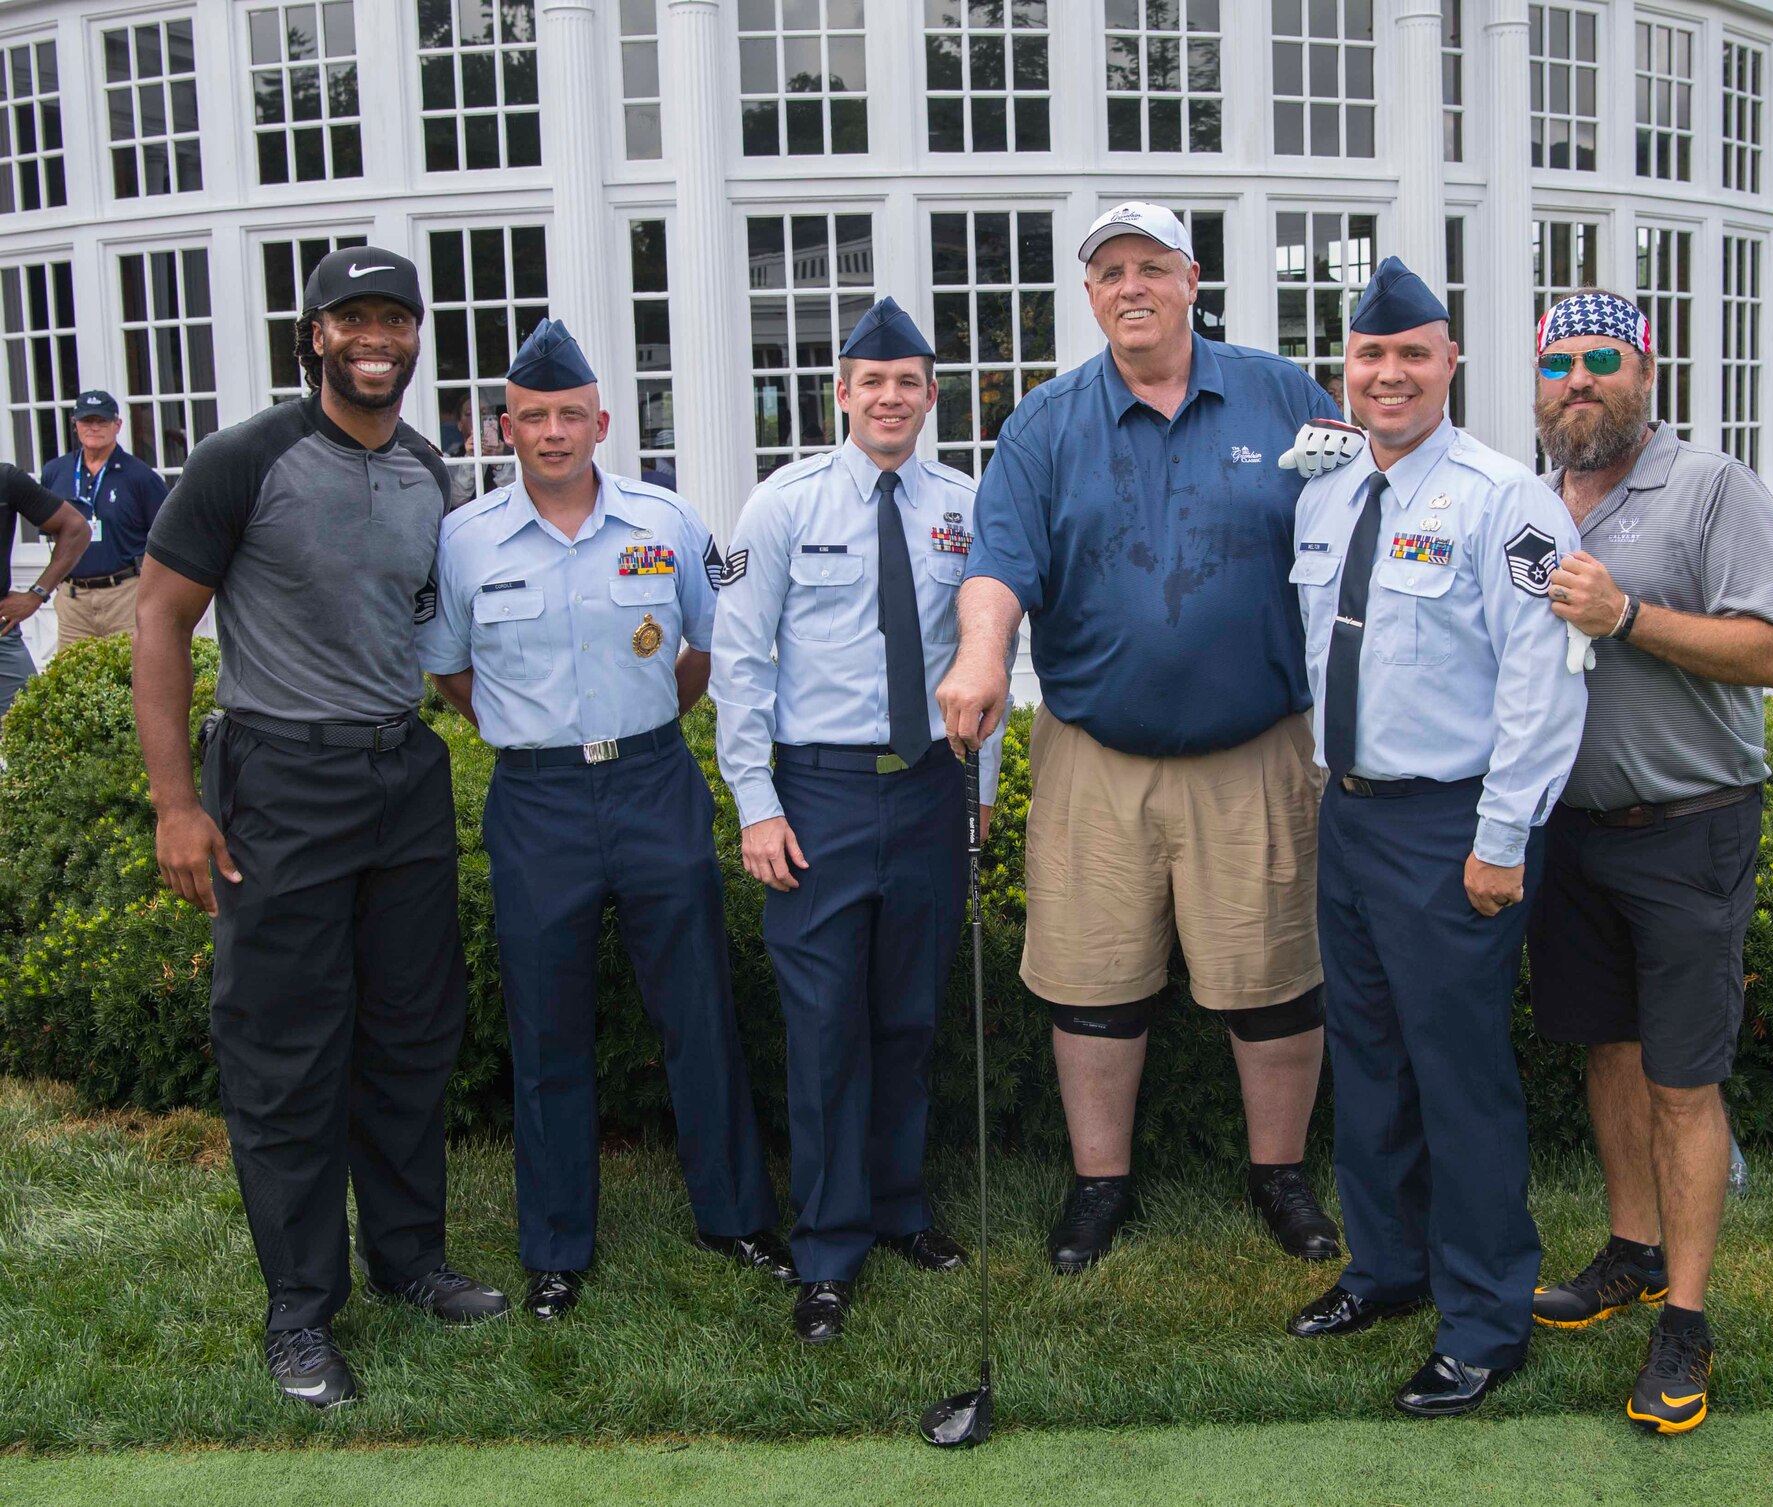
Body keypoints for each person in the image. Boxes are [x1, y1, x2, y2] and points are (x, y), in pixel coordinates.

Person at [133, 246, 509, 1412]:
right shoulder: (244, 458)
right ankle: (300, 1314)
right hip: (278, 781)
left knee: (408, 1034)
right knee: (287, 1053)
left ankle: (409, 1263)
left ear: (413, 336)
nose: (374, 338)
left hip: (398, 777)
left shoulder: (425, 468)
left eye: (393, 318)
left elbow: (425, 635)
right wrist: (177, 805)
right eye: (351, 319)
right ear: (312, 336)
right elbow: (156, 621)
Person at [937, 202, 1344, 1275]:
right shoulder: (1042, 424)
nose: (1131, 287)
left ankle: (1279, 1175)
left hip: (1254, 746)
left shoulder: (1284, 396)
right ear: (1089, 293)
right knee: (1093, 980)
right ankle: (1097, 1184)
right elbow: (997, 565)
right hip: (1093, 751)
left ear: (1191, 278)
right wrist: (982, 655)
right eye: (1109, 270)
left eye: (1150, 267)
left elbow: (1354, 535)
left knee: (1273, 981)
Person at [421, 319, 789, 1324]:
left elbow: (712, 646)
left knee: (698, 1010)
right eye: (533, 417)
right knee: (547, 1026)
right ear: (505, 426)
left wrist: (642, 727)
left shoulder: (666, 520)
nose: (552, 432)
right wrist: (525, 733)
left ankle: (733, 1215)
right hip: (535, 798)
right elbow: (451, 668)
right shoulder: (464, 541)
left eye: (569, 416)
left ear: (602, 422)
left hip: (651, 781)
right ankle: (554, 1247)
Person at [1281, 257, 1586, 1418]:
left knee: (1456, 1078)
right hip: (1349, 814)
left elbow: (1543, 681)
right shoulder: (1327, 494)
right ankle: (1388, 1268)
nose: (1389, 373)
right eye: (1370, 355)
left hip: (1452, 824)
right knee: (1365, 1061)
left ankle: (1484, 1318)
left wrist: (1501, 836)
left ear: (1449, 363)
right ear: (1346, 370)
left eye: (1412, 354)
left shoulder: (1507, 500)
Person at [1522, 289, 1773, 1435]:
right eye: (1557, 363)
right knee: (1608, 1050)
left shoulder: (1708, 486)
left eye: (1600, 359)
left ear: (1645, 372)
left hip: (1687, 826)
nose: (1576, 379)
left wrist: (1627, 614)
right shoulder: (1527, 499)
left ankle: (1682, 1319)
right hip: (1568, 832)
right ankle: (1630, 1250)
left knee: (1683, 1080)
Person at [711, 297, 1005, 1344]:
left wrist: (977, 796)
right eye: (870, 381)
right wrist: (755, 804)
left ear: (930, 396)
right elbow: (739, 664)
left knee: (906, 1016)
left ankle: (898, 1208)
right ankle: (827, 1250)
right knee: (826, 1025)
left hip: (927, 788)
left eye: (909, 381)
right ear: (840, 393)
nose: (889, 397)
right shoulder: (779, 507)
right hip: (819, 795)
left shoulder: (966, 506)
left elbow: (986, 660)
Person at [39, 391, 169, 650]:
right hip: (73, 597)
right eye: (87, 421)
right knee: (72, 678)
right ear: (75, 424)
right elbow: (46, 528)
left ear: (117, 425)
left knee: (130, 675)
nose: (94, 428)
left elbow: (166, 538)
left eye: (102, 421)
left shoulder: (141, 477)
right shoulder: (55, 472)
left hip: (124, 594)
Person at [0, 464, 89, 718]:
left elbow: (76, 528)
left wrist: (36, 594)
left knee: (28, 722)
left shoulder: (6, 479)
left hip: (1, 633)